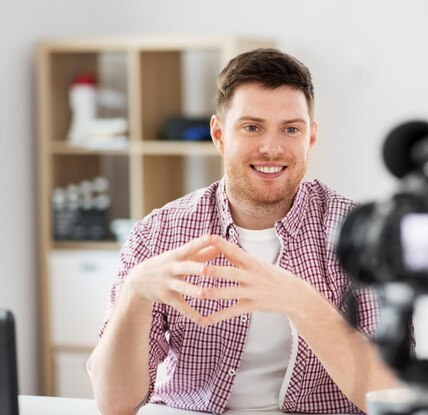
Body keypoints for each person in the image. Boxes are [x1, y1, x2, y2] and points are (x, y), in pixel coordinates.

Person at [89, 48, 399, 415]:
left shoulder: (362, 234)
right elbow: (113, 404)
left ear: (311, 137)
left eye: (291, 129)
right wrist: (134, 293)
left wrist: (298, 301)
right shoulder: (158, 233)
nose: (271, 147)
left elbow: (390, 395)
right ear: (219, 135)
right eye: (252, 127)